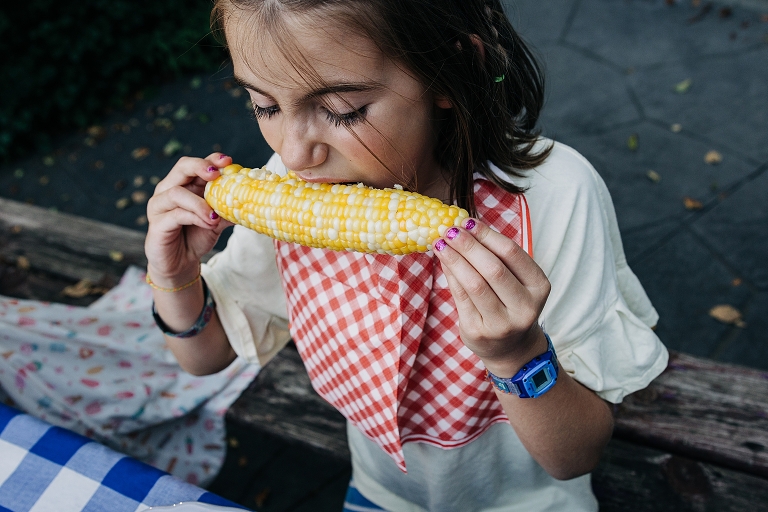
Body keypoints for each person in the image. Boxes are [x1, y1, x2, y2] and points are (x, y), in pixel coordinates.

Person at [144, 0, 669, 510]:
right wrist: (175, 274)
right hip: (382, 494)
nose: (295, 153)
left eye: (341, 111)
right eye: (264, 105)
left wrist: (518, 355)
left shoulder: (555, 198)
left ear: (450, 71)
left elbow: (573, 457)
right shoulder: (289, 175)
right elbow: (205, 357)